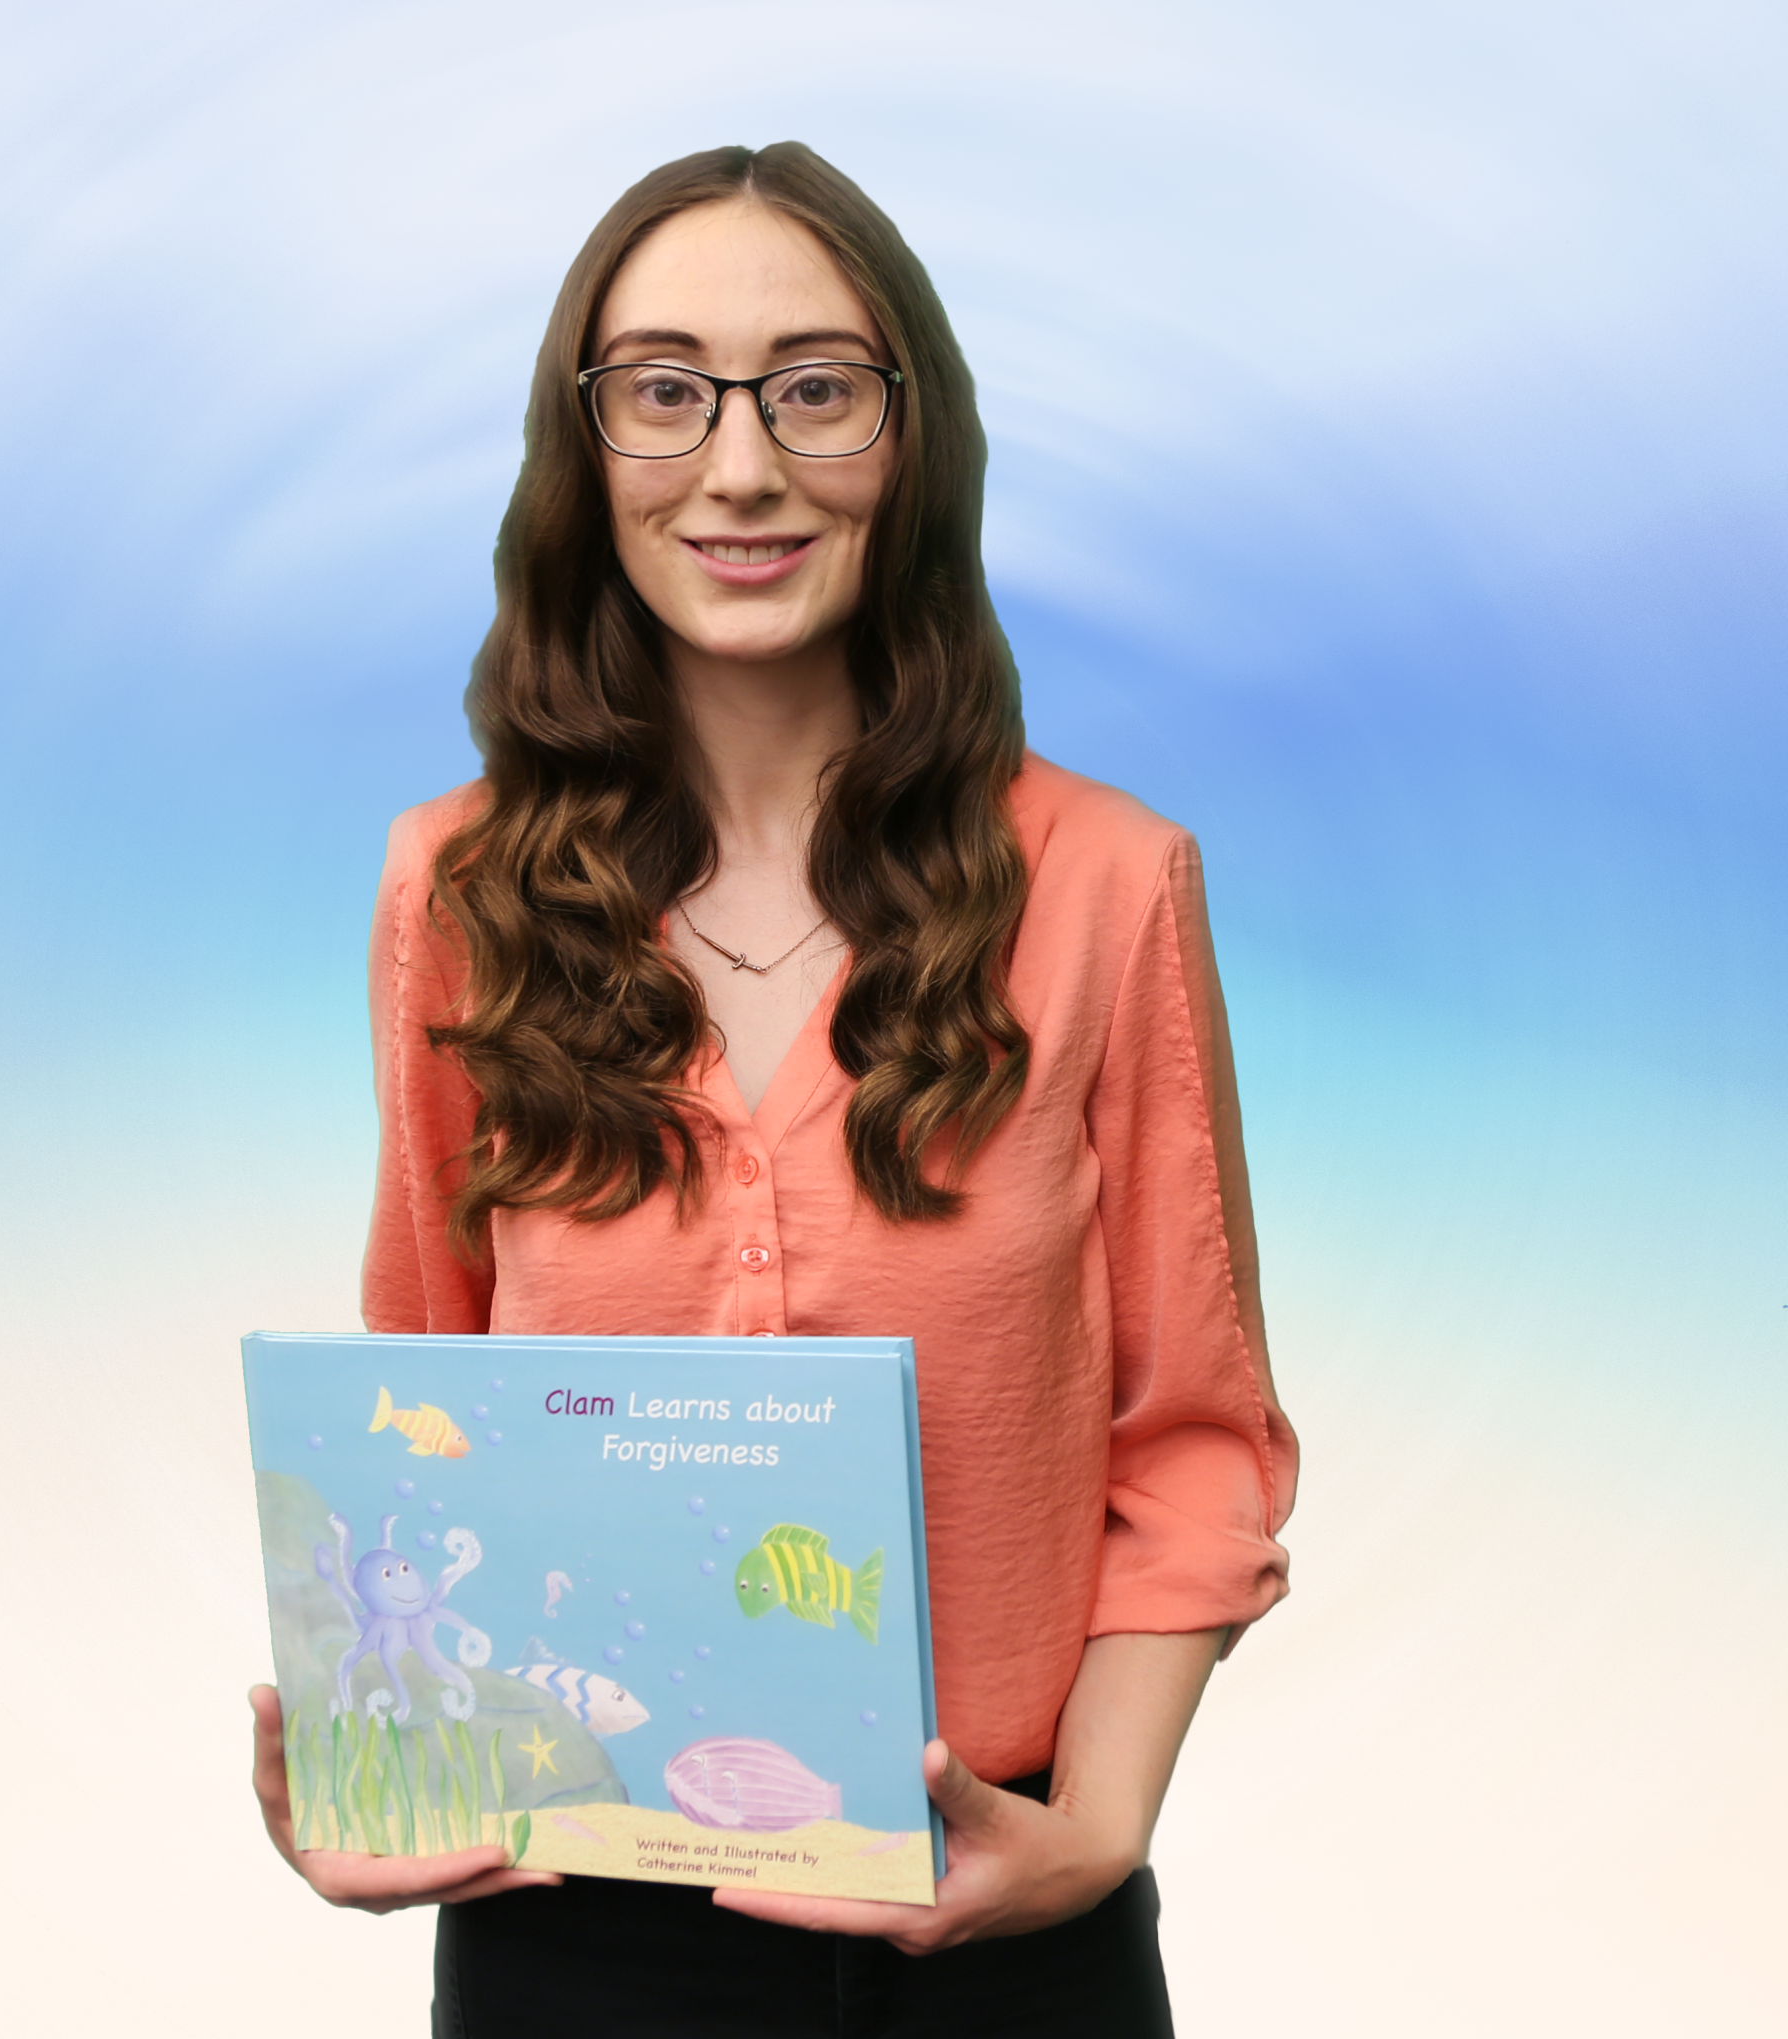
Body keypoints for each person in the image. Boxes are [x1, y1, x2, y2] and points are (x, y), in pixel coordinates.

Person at [249, 141, 1296, 2037]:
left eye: (814, 387)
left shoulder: (1109, 887)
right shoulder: (454, 893)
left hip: (1008, 1920)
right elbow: (417, 1395)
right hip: (570, 1930)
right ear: (587, 453)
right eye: (666, 391)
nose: (742, 467)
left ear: (915, 440)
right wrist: (376, 1755)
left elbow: (1195, 1443)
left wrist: (1096, 1830)